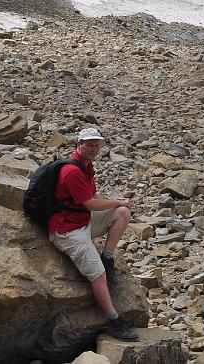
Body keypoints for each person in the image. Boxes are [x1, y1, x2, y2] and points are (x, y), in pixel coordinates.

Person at [48, 127, 139, 342]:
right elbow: (90, 203)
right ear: (78, 145)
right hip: (67, 229)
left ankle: (106, 257)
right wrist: (117, 200)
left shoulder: (86, 166)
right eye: (89, 144)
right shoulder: (72, 171)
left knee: (123, 213)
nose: (93, 148)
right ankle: (113, 320)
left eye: (96, 144)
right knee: (98, 275)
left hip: (82, 220)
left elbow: (93, 198)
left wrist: (117, 205)